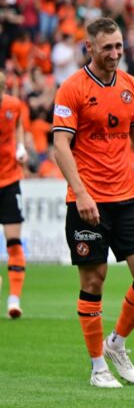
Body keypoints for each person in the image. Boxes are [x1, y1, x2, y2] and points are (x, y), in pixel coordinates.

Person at [52, 18, 134, 388]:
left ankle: (117, 343)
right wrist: (81, 192)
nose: (115, 53)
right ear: (90, 48)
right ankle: (98, 366)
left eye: (119, 46)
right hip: (88, 202)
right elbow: (60, 146)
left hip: (127, 196)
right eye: (107, 48)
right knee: (94, 280)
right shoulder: (72, 89)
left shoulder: (131, 85)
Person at [0, 71, 30, 319]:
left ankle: (14, 299)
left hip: (9, 180)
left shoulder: (12, 105)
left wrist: (20, 147)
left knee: (13, 243)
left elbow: (18, 122)